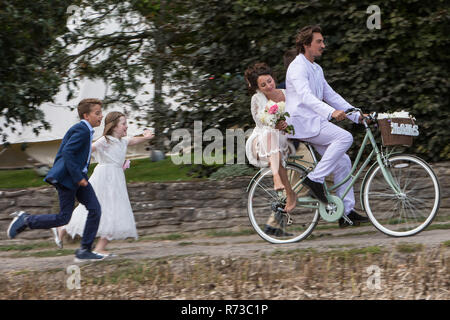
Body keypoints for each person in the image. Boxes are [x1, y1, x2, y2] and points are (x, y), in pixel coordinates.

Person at [285, 25, 369, 228]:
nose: (323, 45)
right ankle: (314, 180)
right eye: (319, 42)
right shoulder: (297, 67)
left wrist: (356, 116)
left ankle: (345, 213)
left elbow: (330, 95)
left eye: (323, 41)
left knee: (343, 162)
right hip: (303, 122)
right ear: (306, 45)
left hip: (315, 121)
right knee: (345, 138)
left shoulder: (316, 68)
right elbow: (306, 96)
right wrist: (330, 112)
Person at [7, 98, 105, 262]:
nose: (101, 116)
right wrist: (78, 177)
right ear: (86, 115)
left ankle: (84, 251)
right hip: (69, 179)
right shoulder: (82, 130)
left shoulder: (86, 130)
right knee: (64, 218)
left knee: (95, 209)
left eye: (101, 112)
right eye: (97, 113)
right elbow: (67, 153)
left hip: (78, 177)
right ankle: (26, 220)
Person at [53, 111, 154, 256]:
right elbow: (87, 150)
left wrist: (147, 137)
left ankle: (100, 247)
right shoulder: (104, 141)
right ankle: (62, 227)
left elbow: (135, 140)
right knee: (90, 208)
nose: (126, 126)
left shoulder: (123, 141)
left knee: (115, 211)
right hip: (103, 178)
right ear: (113, 126)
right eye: (123, 124)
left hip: (116, 179)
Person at [244, 62, 297, 236]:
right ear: (258, 88)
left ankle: (287, 191)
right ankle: (276, 177)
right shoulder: (257, 98)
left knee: (277, 145)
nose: (268, 86)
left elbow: (297, 114)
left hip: (282, 142)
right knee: (270, 134)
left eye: (269, 81)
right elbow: (262, 119)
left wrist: (287, 123)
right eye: (263, 85)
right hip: (260, 142)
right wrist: (276, 122)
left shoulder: (286, 94)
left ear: (273, 77)